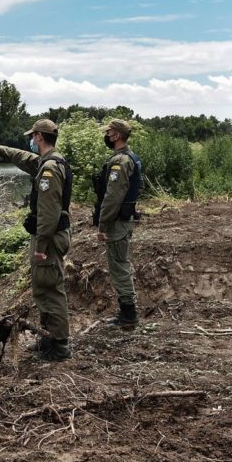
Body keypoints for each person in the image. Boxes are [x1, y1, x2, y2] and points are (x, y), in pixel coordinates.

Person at [0, 118, 73, 361]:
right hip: (50, 237)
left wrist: (40, 246)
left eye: (33, 136)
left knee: (51, 289)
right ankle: (48, 338)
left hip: (49, 239)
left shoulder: (49, 168)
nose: (30, 140)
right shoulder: (48, 161)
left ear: (39, 137)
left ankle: (59, 345)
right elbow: (21, 157)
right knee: (43, 286)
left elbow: (49, 213)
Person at [93, 118, 142, 328]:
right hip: (122, 220)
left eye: (110, 132)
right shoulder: (125, 158)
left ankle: (128, 315)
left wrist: (102, 225)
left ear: (118, 136)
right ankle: (126, 313)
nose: (107, 136)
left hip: (117, 223)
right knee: (119, 265)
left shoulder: (121, 161)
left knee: (119, 267)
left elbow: (113, 197)